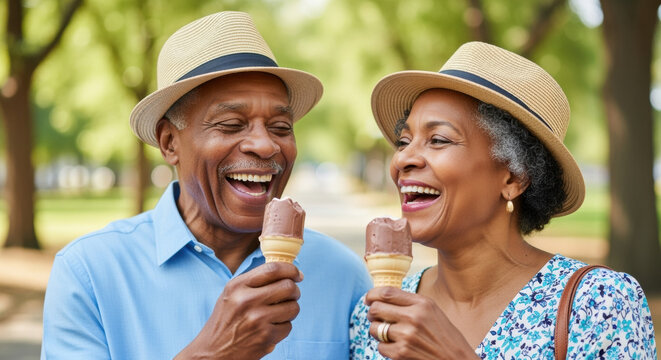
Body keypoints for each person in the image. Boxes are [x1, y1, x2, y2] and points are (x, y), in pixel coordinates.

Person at [41, 11, 371, 359]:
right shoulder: (90, 274)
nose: (265, 145)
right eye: (231, 124)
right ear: (170, 143)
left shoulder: (343, 276)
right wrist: (213, 353)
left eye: (280, 127)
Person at [350, 42, 657, 359]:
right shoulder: (375, 312)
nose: (403, 160)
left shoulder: (598, 304)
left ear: (513, 177)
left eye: (438, 139)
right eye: (404, 141)